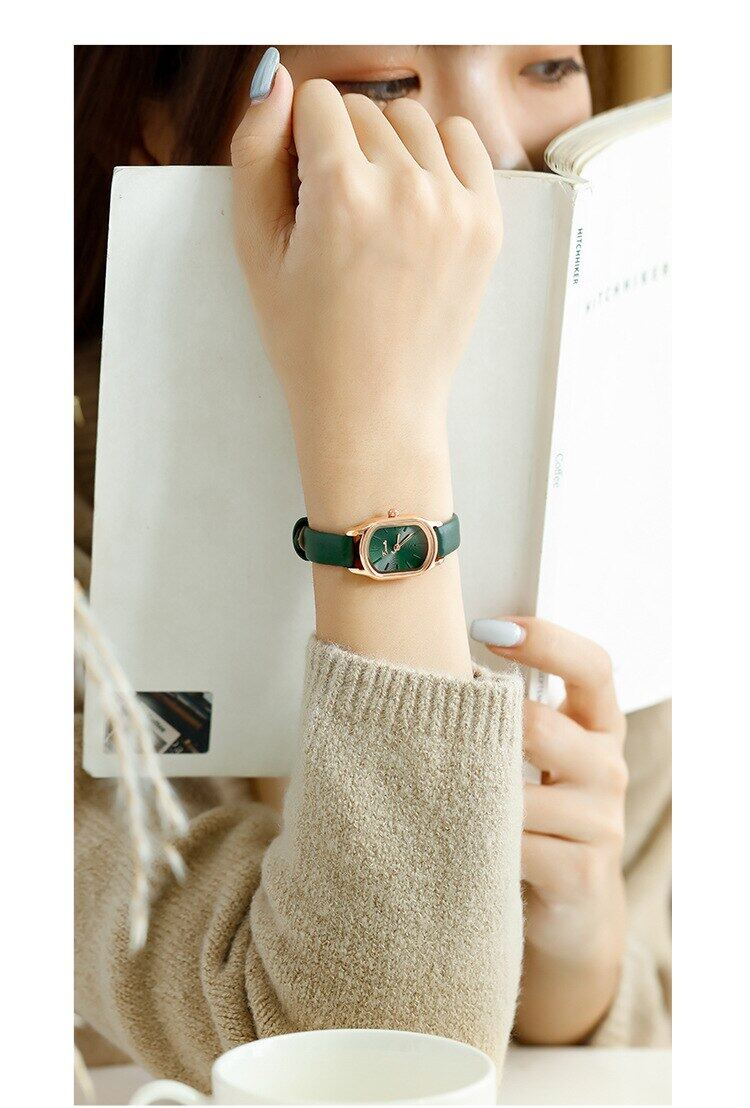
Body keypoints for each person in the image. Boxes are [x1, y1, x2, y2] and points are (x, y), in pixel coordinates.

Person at [74, 46, 671, 1090]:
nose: (496, 150)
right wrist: (380, 434)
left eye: (547, 63)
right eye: (382, 87)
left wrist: (581, 962)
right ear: (156, 131)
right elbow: (369, 1066)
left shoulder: (634, 476)